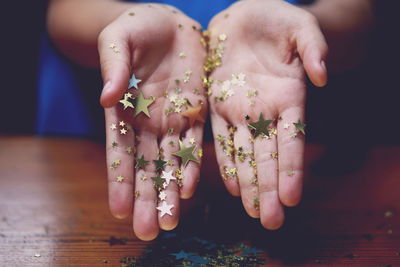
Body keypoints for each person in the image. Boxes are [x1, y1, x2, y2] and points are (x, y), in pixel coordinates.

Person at [45, 0, 374, 241]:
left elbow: (357, 13)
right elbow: (64, 10)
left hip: (302, 133)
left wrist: (307, 22)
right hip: (101, 136)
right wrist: (118, 20)